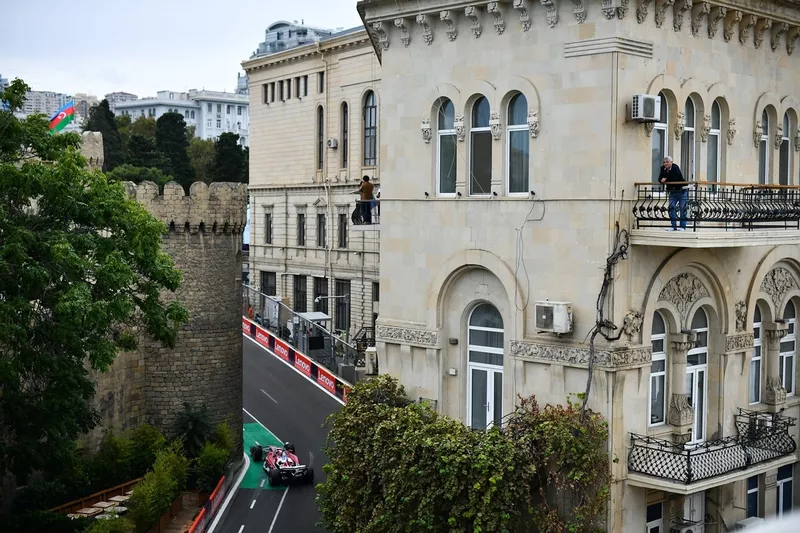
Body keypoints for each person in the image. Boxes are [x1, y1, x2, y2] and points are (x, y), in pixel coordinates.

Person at [658, 156, 687, 231]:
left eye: (667, 162)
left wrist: (665, 178)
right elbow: (659, 179)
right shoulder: (663, 168)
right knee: (671, 208)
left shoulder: (675, 167)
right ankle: (673, 226)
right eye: (664, 162)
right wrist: (662, 180)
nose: (666, 164)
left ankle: (682, 227)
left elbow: (675, 178)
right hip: (672, 191)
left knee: (682, 208)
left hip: (681, 191)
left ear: (671, 162)